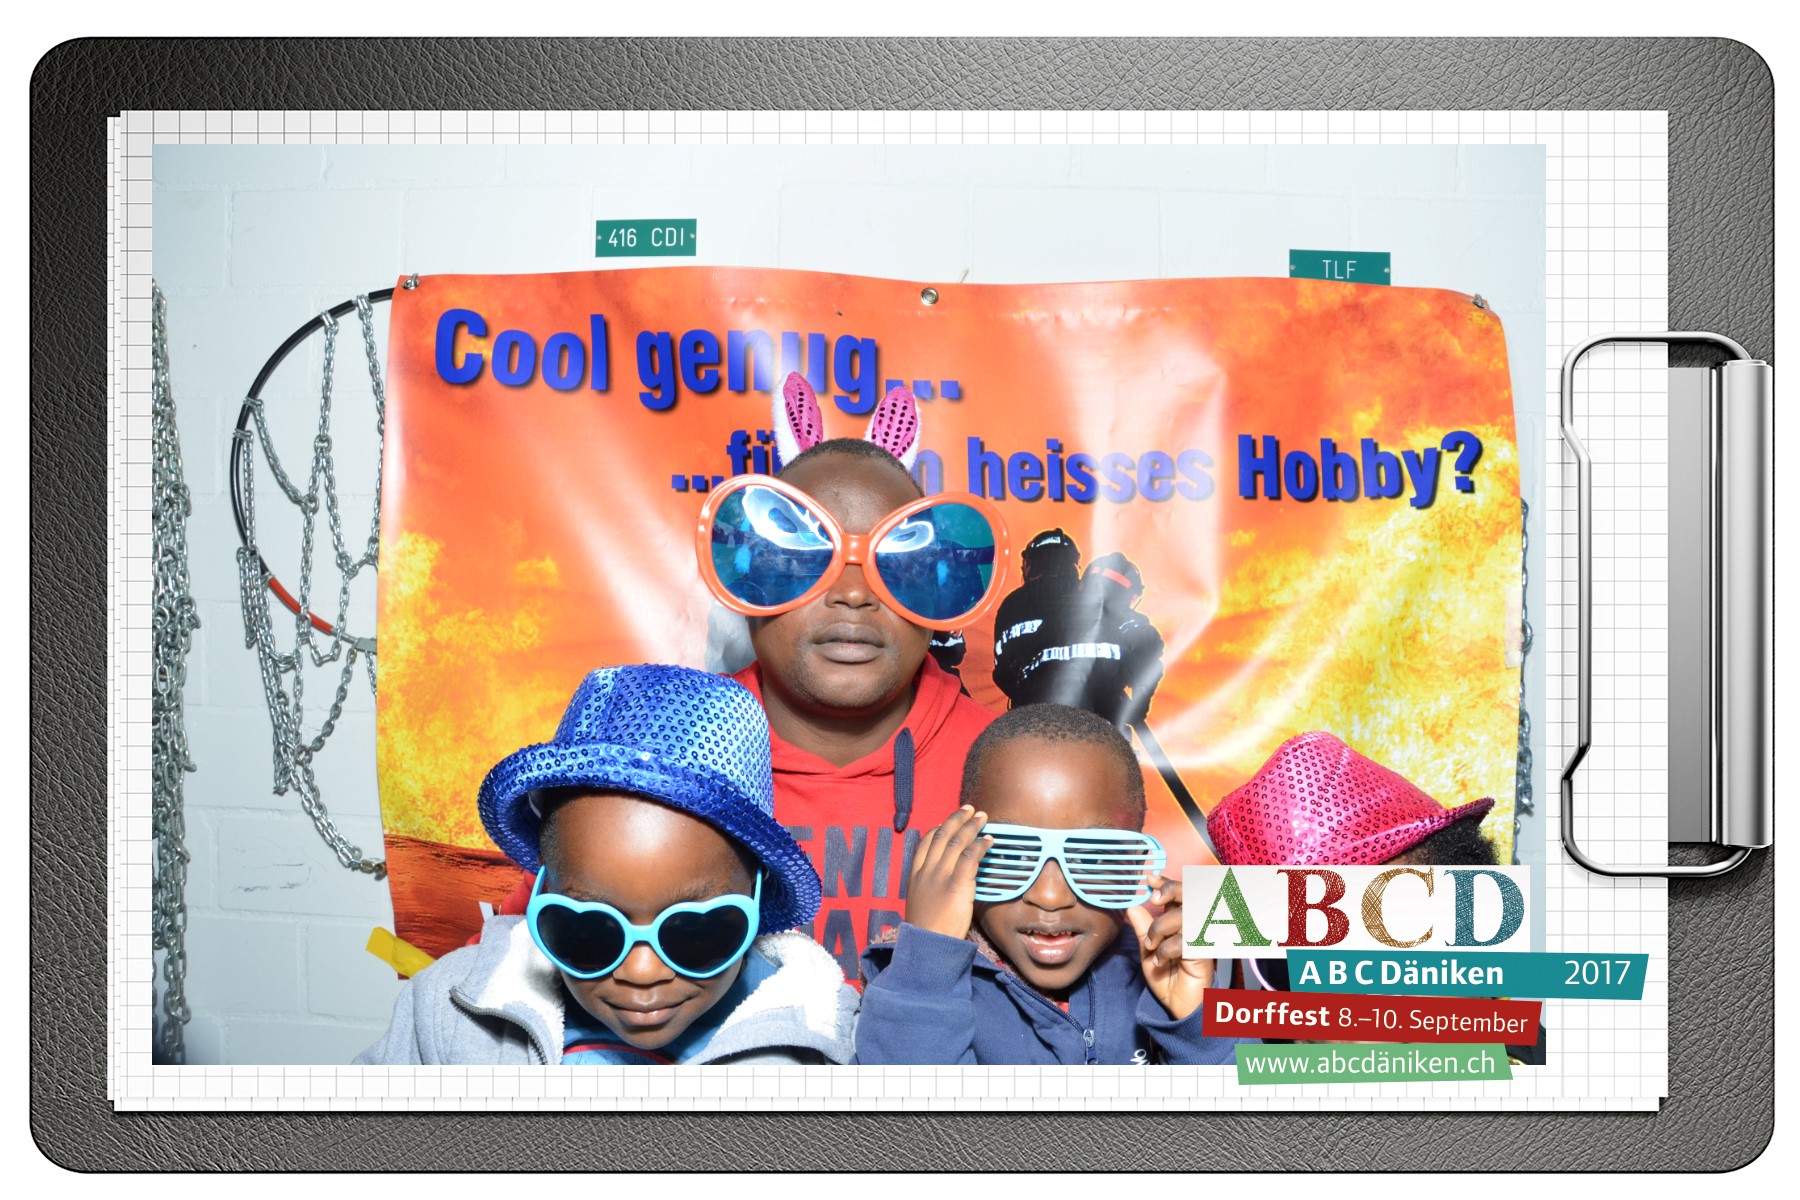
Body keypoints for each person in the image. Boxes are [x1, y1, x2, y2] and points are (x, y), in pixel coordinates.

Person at [492, 375, 1003, 982]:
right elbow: (515, 970)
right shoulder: (659, 759)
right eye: (801, 560)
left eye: (897, 566)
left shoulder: (1003, 765)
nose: (852, 594)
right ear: (747, 581)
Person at [358, 665, 857, 1065]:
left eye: (695, 931)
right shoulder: (443, 1013)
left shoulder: (822, 1047)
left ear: (755, 893)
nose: (641, 972)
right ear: (542, 891)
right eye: (590, 929)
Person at [854, 704, 1247, 1065]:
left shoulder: (1167, 967)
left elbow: (1263, 1102)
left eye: (1093, 857)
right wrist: (926, 969)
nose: (1049, 896)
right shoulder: (914, 982)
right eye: (1012, 853)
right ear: (959, 855)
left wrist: (1201, 1026)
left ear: (1133, 864)